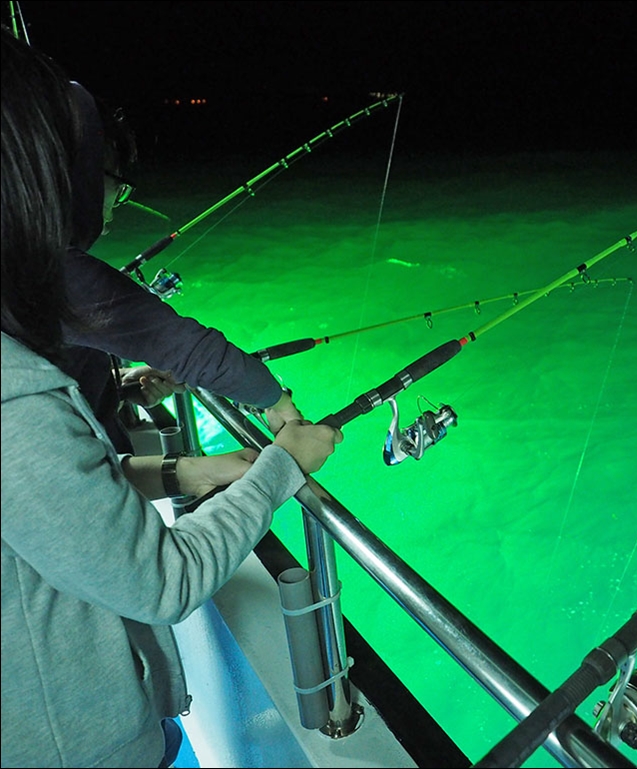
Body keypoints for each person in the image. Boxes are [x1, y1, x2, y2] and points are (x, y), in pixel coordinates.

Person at [0, 26, 343, 768]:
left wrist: (185, 474)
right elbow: (162, 583)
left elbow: (41, 506)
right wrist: (284, 457)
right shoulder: (14, 399)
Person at [61, 81, 303, 454]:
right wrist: (277, 401)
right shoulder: (49, 272)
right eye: (112, 181)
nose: (118, 200)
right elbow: (192, 351)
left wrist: (118, 386)